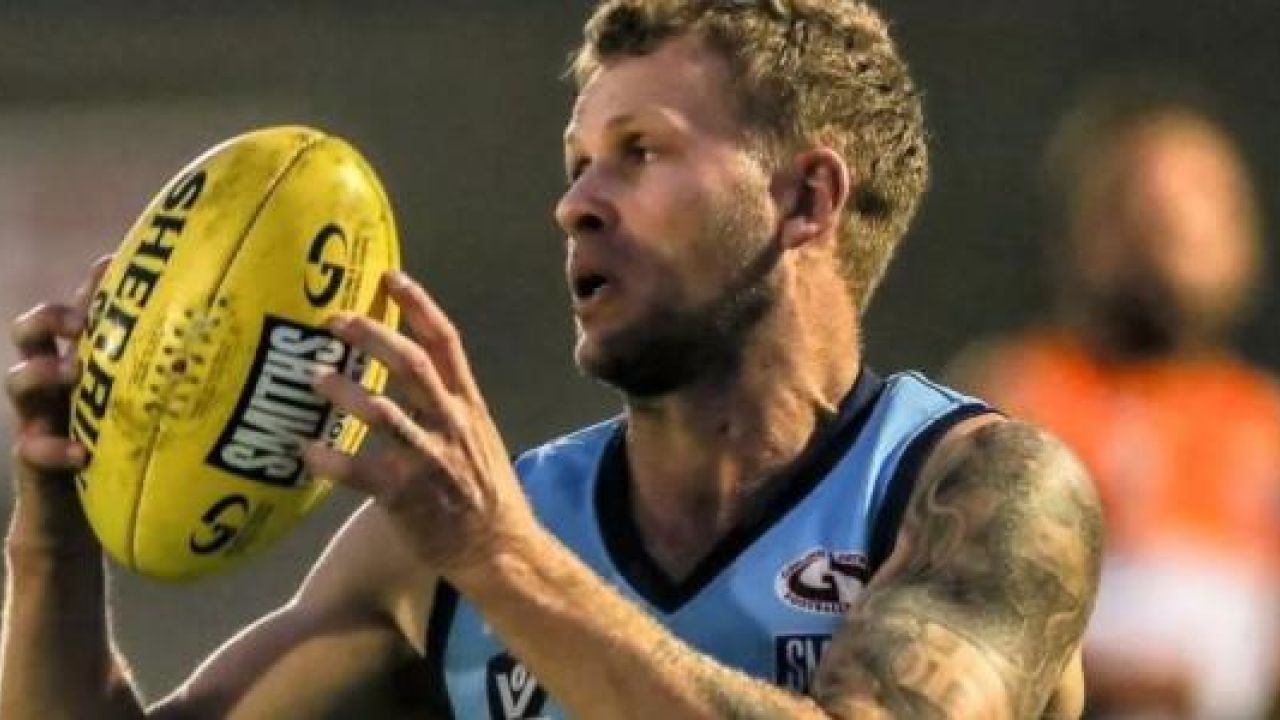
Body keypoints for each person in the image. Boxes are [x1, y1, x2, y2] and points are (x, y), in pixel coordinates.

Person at [2, 1, 1103, 717]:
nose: (576, 204)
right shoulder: (438, 547)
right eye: (577, 163)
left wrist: (500, 559)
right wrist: (57, 525)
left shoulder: (981, 491)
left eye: (640, 152)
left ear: (805, 198)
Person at [949, 81, 1280, 718]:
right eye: (1139, 202)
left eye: (1201, 198)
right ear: (1083, 230)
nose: (1172, 225)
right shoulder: (1013, 400)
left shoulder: (1266, 425)